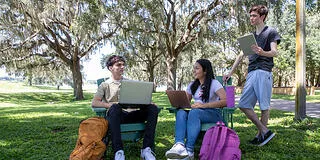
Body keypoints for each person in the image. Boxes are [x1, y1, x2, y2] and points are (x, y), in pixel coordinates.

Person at [223, 4, 281, 146]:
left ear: (262, 17)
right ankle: (264, 131)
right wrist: (230, 72)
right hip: (252, 72)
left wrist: (262, 52)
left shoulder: (271, 32)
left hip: (263, 71)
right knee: (243, 105)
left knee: (264, 106)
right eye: (250, 15)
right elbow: (241, 55)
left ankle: (260, 136)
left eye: (254, 15)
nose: (251, 18)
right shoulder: (251, 37)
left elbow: (274, 52)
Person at [91, 55, 159, 160]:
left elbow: (139, 98)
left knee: (152, 109)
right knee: (115, 108)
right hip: (117, 116)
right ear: (110, 68)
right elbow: (94, 103)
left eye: (123, 65)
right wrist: (110, 105)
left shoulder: (130, 83)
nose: (122, 67)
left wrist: (149, 102)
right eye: (119, 65)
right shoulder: (105, 85)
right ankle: (118, 151)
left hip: (133, 114)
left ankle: (146, 149)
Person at [165, 59, 227, 160]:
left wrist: (203, 106)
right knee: (181, 113)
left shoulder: (214, 83)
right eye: (194, 68)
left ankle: (189, 150)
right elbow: (186, 101)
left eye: (197, 68)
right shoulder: (193, 85)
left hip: (213, 113)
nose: (194, 70)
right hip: (197, 112)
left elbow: (226, 101)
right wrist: (177, 99)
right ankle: (179, 146)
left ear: (205, 70)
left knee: (195, 113)